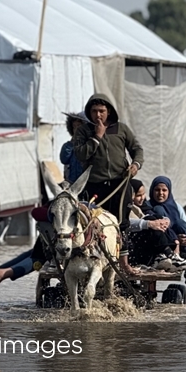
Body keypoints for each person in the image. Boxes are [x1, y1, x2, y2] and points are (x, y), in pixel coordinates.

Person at [71, 93, 144, 273]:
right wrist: (96, 137)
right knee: (93, 222)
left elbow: (137, 149)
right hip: (94, 185)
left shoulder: (121, 129)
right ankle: (95, 261)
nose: (98, 115)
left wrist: (135, 164)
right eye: (94, 111)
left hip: (120, 184)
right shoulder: (83, 131)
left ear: (108, 111)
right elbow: (81, 154)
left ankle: (124, 263)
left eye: (102, 111)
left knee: (121, 223)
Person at [148, 175, 186, 285]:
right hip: (162, 246)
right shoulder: (148, 207)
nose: (160, 193)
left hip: (180, 248)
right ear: (152, 190)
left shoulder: (176, 207)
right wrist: (174, 239)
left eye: (164, 190)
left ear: (169, 191)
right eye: (157, 190)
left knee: (180, 224)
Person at [59, 113, 86, 184]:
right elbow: (64, 159)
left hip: (85, 183)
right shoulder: (69, 145)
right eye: (74, 127)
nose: (76, 129)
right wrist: (71, 143)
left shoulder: (89, 144)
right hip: (71, 182)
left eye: (79, 126)